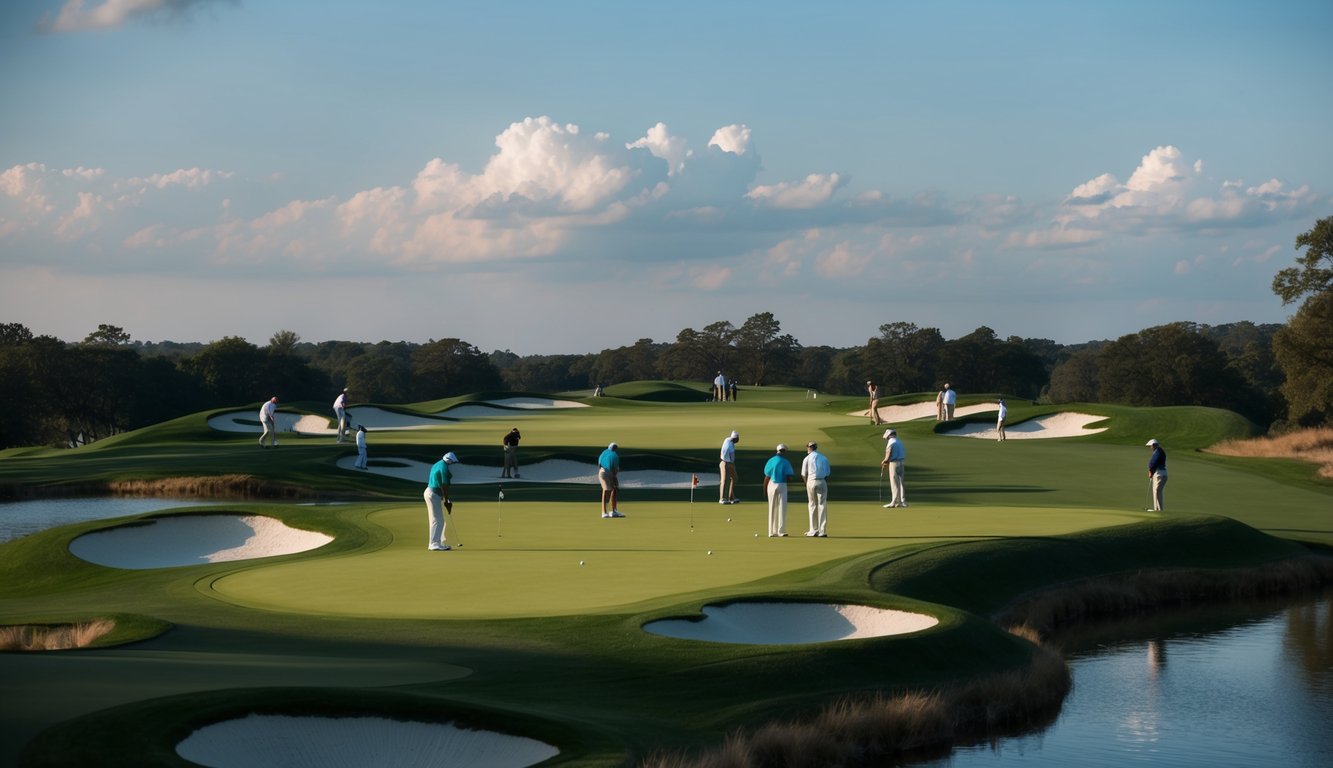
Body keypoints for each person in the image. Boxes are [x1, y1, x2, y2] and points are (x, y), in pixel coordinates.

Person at [423, 451, 459, 551]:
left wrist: (446, 499)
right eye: (452, 462)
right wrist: (447, 500)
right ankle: (434, 544)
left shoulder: (438, 464)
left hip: (429, 492)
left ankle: (436, 543)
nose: (452, 464)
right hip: (433, 494)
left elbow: (439, 483)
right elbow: (444, 485)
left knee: (435, 519)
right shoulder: (444, 467)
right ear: (449, 461)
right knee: (438, 520)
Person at [762, 444, 796, 537]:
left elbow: (767, 477)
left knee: (772, 507)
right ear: (784, 451)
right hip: (782, 484)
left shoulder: (771, 460)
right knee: (782, 507)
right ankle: (781, 531)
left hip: (771, 485)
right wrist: (789, 485)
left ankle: (771, 532)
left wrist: (764, 490)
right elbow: (789, 476)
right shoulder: (786, 462)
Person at [801, 441, 831, 537]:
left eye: (808, 447)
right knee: (822, 505)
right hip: (821, 481)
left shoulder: (806, 458)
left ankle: (813, 530)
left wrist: (807, 484)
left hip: (810, 481)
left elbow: (803, 474)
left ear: (810, 448)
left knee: (812, 505)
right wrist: (822, 481)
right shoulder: (824, 458)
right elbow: (827, 473)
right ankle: (822, 531)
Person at [880, 428, 908, 508]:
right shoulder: (899, 442)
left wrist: (884, 461)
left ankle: (894, 502)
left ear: (889, 435)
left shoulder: (891, 442)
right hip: (902, 462)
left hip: (894, 463)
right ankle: (902, 502)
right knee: (901, 482)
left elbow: (888, 454)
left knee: (894, 482)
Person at [599, 442, 624, 518]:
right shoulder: (615, 456)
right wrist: (614, 479)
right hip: (606, 472)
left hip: (603, 472)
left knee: (613, 489)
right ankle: (604, 512)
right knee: (606, 490)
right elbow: (613, 470)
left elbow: (599, 464)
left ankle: (613, 511)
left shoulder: (604, 453)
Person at [718, 430, 740, 504]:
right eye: (737, 438)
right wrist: (732, 465)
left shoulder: (727, 439)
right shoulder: (731, 446)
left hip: (725, 462)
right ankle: (722, 499)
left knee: (734, 478)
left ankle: (731, 497)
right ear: (735, 439)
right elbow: (732, 459)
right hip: (725, 463)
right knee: (724, 481)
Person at [1146, 438, 1168, 511]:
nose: (1150, 448)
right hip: (1162, 473)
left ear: (1153, 445)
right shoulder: (1159, 451)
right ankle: (1158, 509)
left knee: (1156, 491)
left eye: (1150, 446)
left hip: (1159, 474)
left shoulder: (1158, 451)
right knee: (1157, 491)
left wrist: (1150, 471)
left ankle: (1158, 510)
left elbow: (1152, 462)